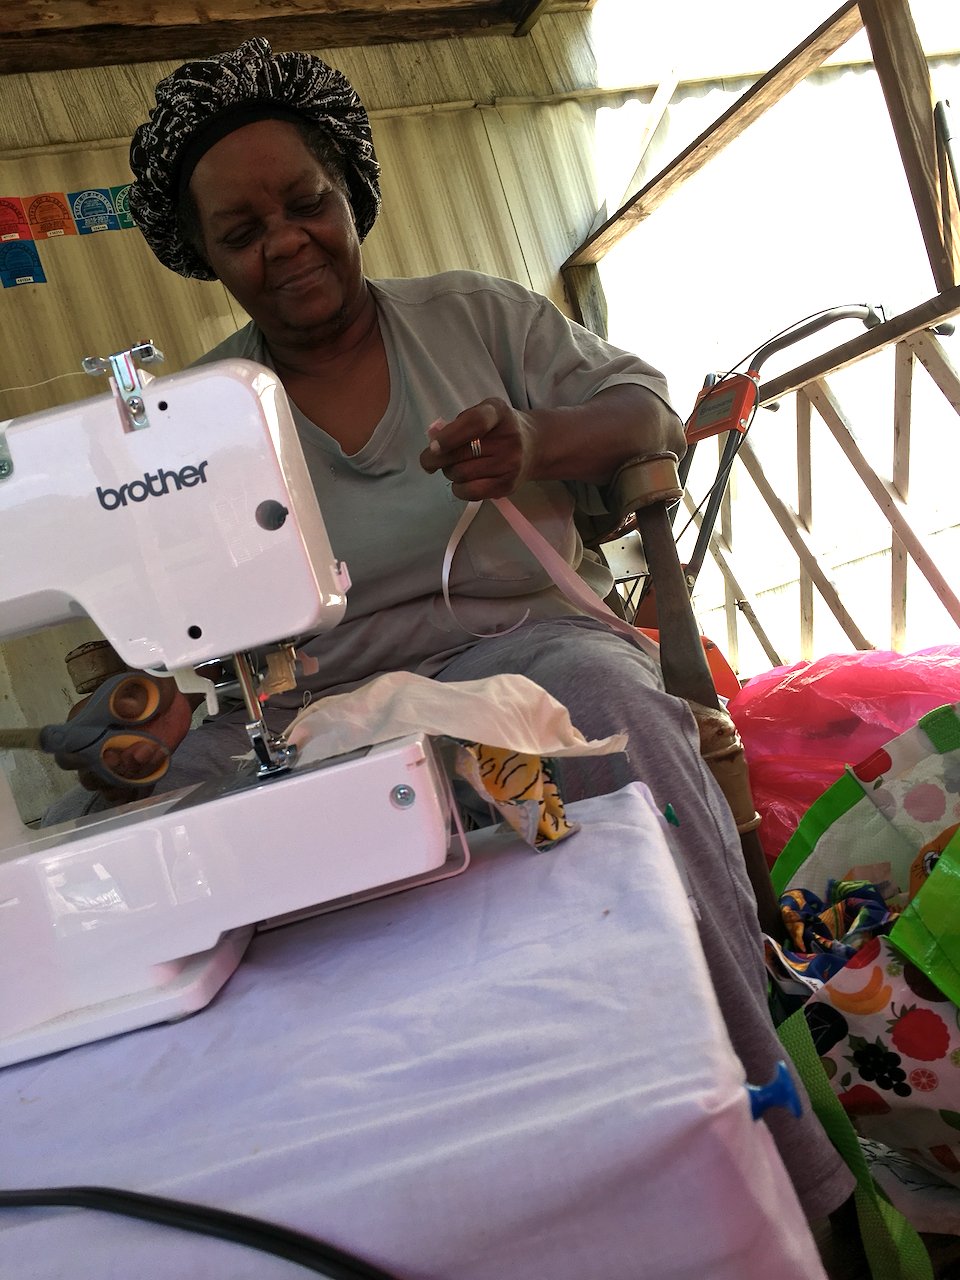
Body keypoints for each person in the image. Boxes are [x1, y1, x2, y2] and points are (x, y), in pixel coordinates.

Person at [47, 37, 854, 1223]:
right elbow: (178, 629)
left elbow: (645, 412)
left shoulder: (474, 315)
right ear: (207, 258)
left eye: (305, 202)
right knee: (105, 850)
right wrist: (149, 715)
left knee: (619, 710)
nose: (283, 240)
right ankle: (368, 1199)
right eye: (241, 230)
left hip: (520, 647)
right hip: (307, 708)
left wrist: (534, 445)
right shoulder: (192, 419)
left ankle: (767, 1131)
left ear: (349, 196)